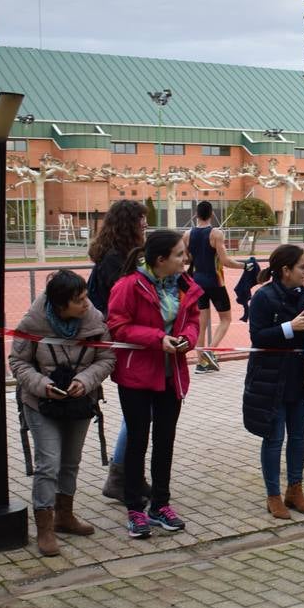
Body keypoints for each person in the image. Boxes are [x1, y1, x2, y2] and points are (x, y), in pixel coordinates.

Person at [9, 270, 117, 556]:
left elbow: (107, 357)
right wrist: (44, 385)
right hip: (41, 403)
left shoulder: (94, 319)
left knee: (70, 461)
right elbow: (18, 363)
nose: (86, 303)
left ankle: (64, 516)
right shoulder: (32, 323)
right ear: (59, 305)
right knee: (49, 463)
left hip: (80, 403)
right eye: (79, 300)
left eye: (85, 297)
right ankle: (44, 527)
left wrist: (86, 380)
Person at [106, 229, 202, 539]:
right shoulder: (128, 285)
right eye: (178, 254)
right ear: (160, 260)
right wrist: (158, 339)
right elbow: (118, 326)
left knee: (165, 440)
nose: (184, 259)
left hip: (170, 374)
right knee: (137, 440)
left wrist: (187, 338)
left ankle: (160, 504)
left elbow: (192, 320)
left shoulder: (185, 285)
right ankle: (135, 507)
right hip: (136, 375)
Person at [242, 245, 304, 519]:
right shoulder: (263, 297)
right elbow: (257, 336)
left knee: (299, 436)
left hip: (299, 378)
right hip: (270, 378)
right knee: (274, 439)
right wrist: (290, 328)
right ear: (285, 270)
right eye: (301, 266)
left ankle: (295, 490)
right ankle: (273, 495)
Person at [87, 199, 148, 501]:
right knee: (136, 414)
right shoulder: (115, 259)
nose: (145, 226)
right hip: (123, 341)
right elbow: (122, 303)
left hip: (126, 340)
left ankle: (126, 473)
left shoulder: (118, 255)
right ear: (130, 224)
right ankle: (121, 474)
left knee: (137, 413)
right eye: (141, 220)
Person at [185, 201, 251, 373]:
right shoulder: (215, 234)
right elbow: (225, 261)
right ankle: (209, 352)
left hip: (196, 281)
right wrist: (245, 266)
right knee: (226, 319)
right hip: (214, 281)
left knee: (202, 323)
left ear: (196, 214)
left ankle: (201, 362)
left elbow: (186, 260)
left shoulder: (187, 234)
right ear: (212, 214)